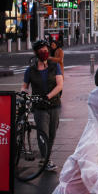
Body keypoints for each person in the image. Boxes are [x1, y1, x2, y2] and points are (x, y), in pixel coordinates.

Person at [22, 40, 63, 172]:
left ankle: (46, 159)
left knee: (52, 134)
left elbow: (60, 85)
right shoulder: (30, 70)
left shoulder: (54, 66)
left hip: (54, 104)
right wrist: (23, 95)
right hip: (39, 106)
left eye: (46, 50)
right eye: (41, 51)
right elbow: (25, 87)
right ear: (36, 53)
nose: (44, 53)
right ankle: (46, 160)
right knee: (42, 133)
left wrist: (49, 96)